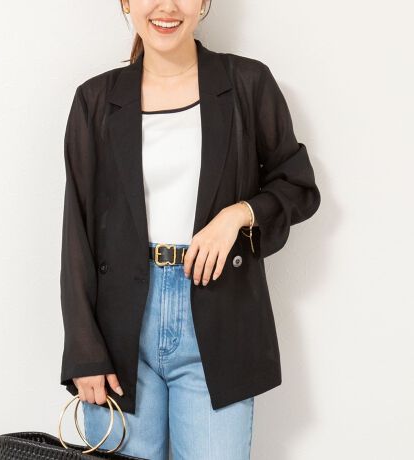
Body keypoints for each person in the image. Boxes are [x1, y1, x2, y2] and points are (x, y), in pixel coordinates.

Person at [59, 1, 321, 459]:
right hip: (119, 334)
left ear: (203, 3)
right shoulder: (95, 100)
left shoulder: (247, 84)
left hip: (218, 320)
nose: (167, 7)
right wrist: (84, 352)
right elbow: (76, 231)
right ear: (126, 2)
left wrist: (237, 215)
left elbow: (297, 185)